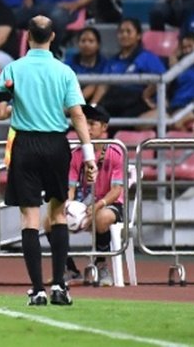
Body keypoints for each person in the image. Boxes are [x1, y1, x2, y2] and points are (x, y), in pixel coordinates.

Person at [0, 15, 96, 307]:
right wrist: (88, 155)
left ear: (27, 36)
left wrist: (11, 99)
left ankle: (38, 290)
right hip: (55, 144)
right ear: (52, 37)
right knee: (59, 214)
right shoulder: (64, 71)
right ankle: (60, 287)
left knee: (29, 218)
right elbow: (77, 114)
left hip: (25, 144)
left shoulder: (13, 68)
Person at [64, 103, 124, 287]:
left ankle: (102, 265)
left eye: (92, 123)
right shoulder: (76, 154)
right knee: (51, 221)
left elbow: (116, 190)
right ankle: (70, 270)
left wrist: (97, 206)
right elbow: (71, 187)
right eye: (84, 123)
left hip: (109, 204)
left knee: (102, 218)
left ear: (104, 127)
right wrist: (67, 205)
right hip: (83, 203)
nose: (86, 128)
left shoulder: (115, 151)